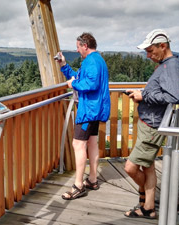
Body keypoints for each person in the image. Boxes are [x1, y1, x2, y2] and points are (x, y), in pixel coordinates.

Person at [124, 29, 179, 219]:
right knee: (147, 166)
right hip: (149, 122)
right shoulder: (164, 64)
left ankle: (147, 197)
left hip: (152, 127)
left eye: (151, 51)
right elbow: (161, 91)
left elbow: (174, 96)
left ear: (163, 46)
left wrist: (145, 95)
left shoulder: (170, 66)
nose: (148, 56)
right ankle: (148, 207)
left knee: (130, 168)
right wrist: (143, 94)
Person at [55, 32, 111, 200]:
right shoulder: (96, 60)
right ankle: (92, 180)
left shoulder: (91, 61)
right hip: (95, 109)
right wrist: (64, 66)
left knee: (78, 144)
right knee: (92, 143)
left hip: (89, 111)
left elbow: (89, 83)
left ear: (85, 46)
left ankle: (78, 185)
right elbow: (79, 77)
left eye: (78, 47)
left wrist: (74, 84)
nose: (77, 50)